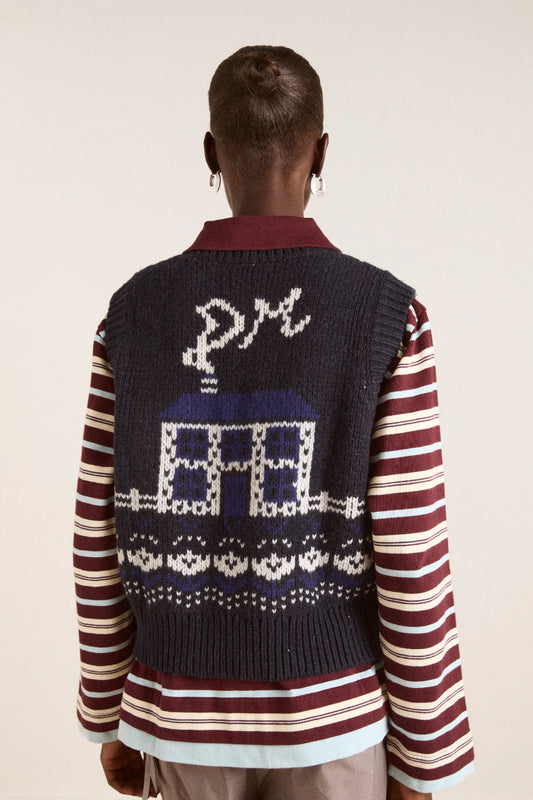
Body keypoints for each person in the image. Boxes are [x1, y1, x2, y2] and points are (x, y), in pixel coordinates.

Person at [73, 45, 475, 800]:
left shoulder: (130, 316)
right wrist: (425, 753)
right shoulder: (386, 316)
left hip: (176, 722)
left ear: (210, 152)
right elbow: (410, 546)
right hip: (334, 728)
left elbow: (97, 534)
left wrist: (108, 713)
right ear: (321, 153)